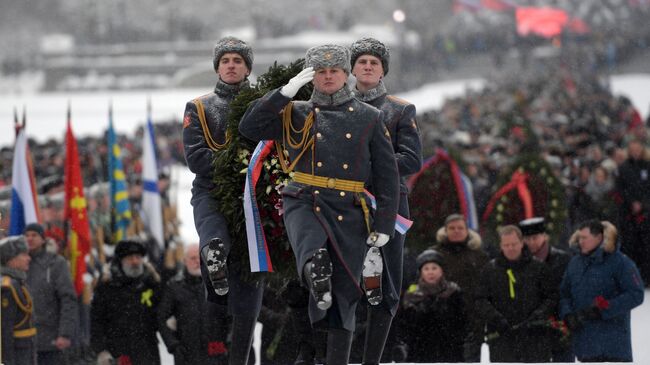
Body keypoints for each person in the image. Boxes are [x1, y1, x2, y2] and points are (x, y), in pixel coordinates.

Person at [239, 44, 399, 365]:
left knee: (343, 295)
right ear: (311, 77)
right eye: (321, 72)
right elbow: (249, 128)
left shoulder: (369, 117)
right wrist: (283, 93)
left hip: (349, 207)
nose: (328, 77)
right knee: (312, 250)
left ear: (346, 74)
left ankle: (334, 357)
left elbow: (386, 176)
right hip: (304, 197)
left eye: (334, 71)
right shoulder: (295, 111)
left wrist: (383, 225)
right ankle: (315, 268)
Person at [182, 36, 264, 364]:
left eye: (238, 61)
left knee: (249, 293)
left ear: (247, 68)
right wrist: (244, 159)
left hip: (256, 201)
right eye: (225, 60)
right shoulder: (199, 107)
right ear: (217, 67)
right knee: (213, 232)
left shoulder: (263, 104)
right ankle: (213, 254)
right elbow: (197, 160)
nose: (231, 65)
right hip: (212, 192)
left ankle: (240, 358)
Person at [349, 37, 422, 365]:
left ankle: (372, 359)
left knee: (385, 287)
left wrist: (369, 166)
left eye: (373, 63)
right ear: (351, 68)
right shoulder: (335, 107)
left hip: (386, 204)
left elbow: (411, 159)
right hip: (344, 204)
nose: (367, 66)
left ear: (382, 71)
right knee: (344, 284)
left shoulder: (400, 109)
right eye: (361, 61)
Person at [559, 220, 645, 362]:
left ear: (599, 238)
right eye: (579, 237)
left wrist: (604, 309)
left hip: (614, 348)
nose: (581, 241)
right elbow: (564, 294)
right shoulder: (575, 263)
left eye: (585, 238)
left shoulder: (620, 262)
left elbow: (636, 294)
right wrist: (568, 315)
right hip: (584, 348)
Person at [475, 225, 556, 363]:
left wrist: (537, 316)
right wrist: (496, 318)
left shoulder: (538, 268)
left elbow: (552, 297)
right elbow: (480, 299)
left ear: (522, 243)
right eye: (506, 245)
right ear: (501, 246)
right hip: (502, 337)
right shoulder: (490, 270)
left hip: (534, 337)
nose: (510, 248)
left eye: (514, 244)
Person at [91, 239, 161, 365]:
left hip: (147, 351)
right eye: (130, 258)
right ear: (121, 261)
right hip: (118, 353)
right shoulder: (107, 286)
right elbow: (96, 320)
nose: (135, 261)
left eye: (138, 257)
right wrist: (101, 350)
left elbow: (162, 313)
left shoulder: (151, 283)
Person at [157, 244, 229, 365]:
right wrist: (174, 346)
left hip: (217, 354)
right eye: (192, 258)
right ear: (185, 261)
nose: (197, 262)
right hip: (186, 355)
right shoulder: (174, 286)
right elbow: (161, 318)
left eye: (200, 258)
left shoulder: (217, 284)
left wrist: (229, 342)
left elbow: (230, 316)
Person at [430, 213, 488, 361]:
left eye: (460, 228)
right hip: (441, 322)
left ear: (467, 231)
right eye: (452, 228)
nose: (456, 231)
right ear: (445, 230)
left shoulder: (480, 256)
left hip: (472, 322)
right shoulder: (433, 255)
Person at [396, 249, 466, 362]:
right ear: (421, 272)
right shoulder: (411, 295)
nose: (430, 272)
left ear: (441, 270)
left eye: (434, 268)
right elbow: (404, 327)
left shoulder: (453, 292)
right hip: (419, 353)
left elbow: (461, 323)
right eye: (426, 269)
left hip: (449, 353)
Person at [519, 217, 573, 362]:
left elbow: (568, 292)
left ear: (544, 236)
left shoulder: (562, 260)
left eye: (535, 237)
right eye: (527, 238)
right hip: (531, 330)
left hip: (560, 326)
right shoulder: (518, 262)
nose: (531, 242)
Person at [23, 223, 78, 364]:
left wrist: (65, 334)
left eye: (34, 235)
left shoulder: (55, 263)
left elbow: (68, 299)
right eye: (27, 235)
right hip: (23, 341)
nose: (30, 239)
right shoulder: (18, 264)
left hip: (50, 340)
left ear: (43, 239)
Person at [615, 139, 650, 286]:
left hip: (647, 214)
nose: (635, 152)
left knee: (646, 247)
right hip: (628, 215)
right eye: (632, 149)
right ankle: (632, 278)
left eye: (638, 148)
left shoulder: (648, 166)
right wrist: (631, 203)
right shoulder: (623, 168)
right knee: (630, 246)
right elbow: (620, 190)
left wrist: (643, 203)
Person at [1, 236, 37, 365]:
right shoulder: (7, 288)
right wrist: (6, 361)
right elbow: (4, 330)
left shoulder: (18, 282)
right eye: (24, 254)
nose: (29, 258)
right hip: (16, 356)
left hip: (25, 352)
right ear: (11, 259)